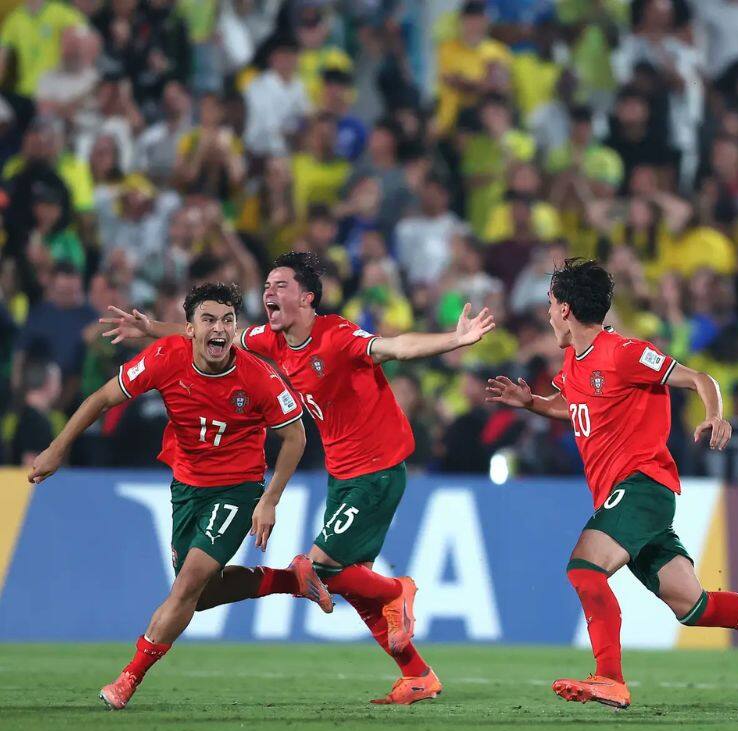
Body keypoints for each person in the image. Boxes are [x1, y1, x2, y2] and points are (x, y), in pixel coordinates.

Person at [100, 252, 496, 706]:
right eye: (267, 285)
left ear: (307, 298)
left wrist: (454, 339)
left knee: (321, 568)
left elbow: (394, 346)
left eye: (280, 285)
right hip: (342, 474)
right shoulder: (271, 340)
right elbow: (218, 335)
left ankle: (397, 590)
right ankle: (417, 674)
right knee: (347, 582)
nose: (269, 292)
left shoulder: (338, 335)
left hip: (377, 469)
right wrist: (151, 329)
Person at [486, 258, 738, 710]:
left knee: (585, 569)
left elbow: (698, 377)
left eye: (550, 304)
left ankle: (609, 677)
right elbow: (574, 409)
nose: (547, 314)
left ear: (566, 309)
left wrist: (714, 416)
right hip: (623, 495)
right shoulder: (573, 362)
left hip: (643, 485)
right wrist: (532, 404)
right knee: (694, 606)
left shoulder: (625, 352)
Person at [28, 283, 317, 710]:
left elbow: (295, 437)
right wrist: (57, 447)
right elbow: (103, 399)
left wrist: (269, 499)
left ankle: (128, 678)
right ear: (189, 328)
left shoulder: (258, 375)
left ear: (236, 329)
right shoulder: (165, 358)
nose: (219, 329)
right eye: (209, 319)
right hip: (187, 488)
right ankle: (291, 579)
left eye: (228, 320)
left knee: (187, 582)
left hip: (238, 489)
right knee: (200, 595)